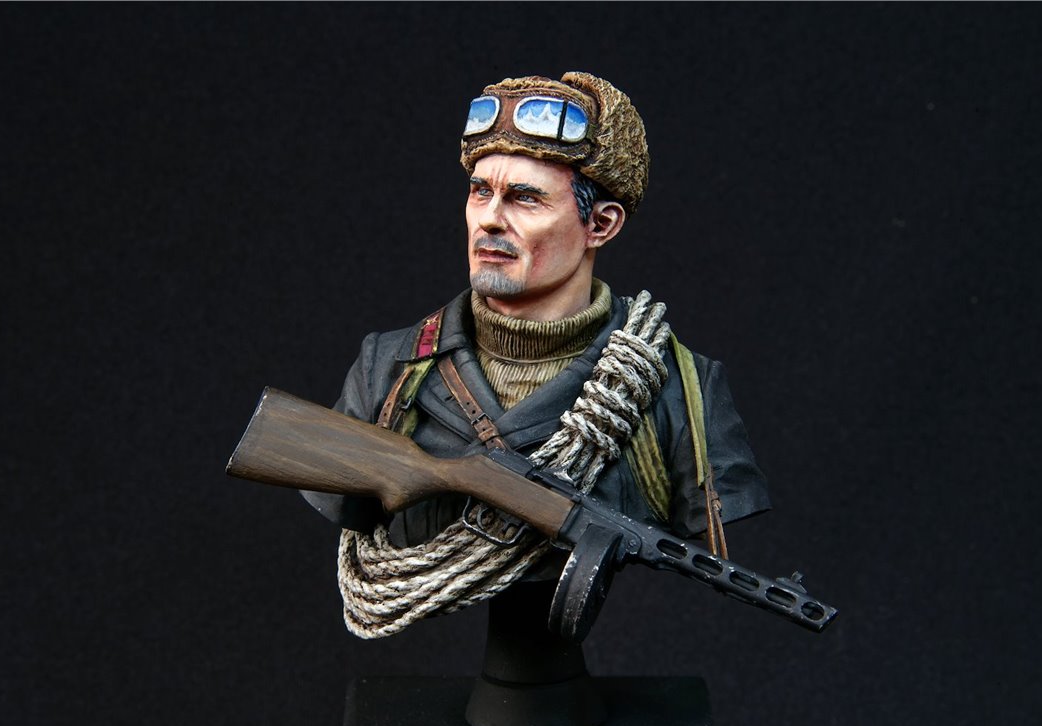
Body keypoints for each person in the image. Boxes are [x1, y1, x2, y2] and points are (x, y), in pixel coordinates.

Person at [304, 72, 770, 640]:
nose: (489, 218)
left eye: (526, 198)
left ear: (600, 224)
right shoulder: (390, 368)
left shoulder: (681, 389)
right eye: (480, 191)